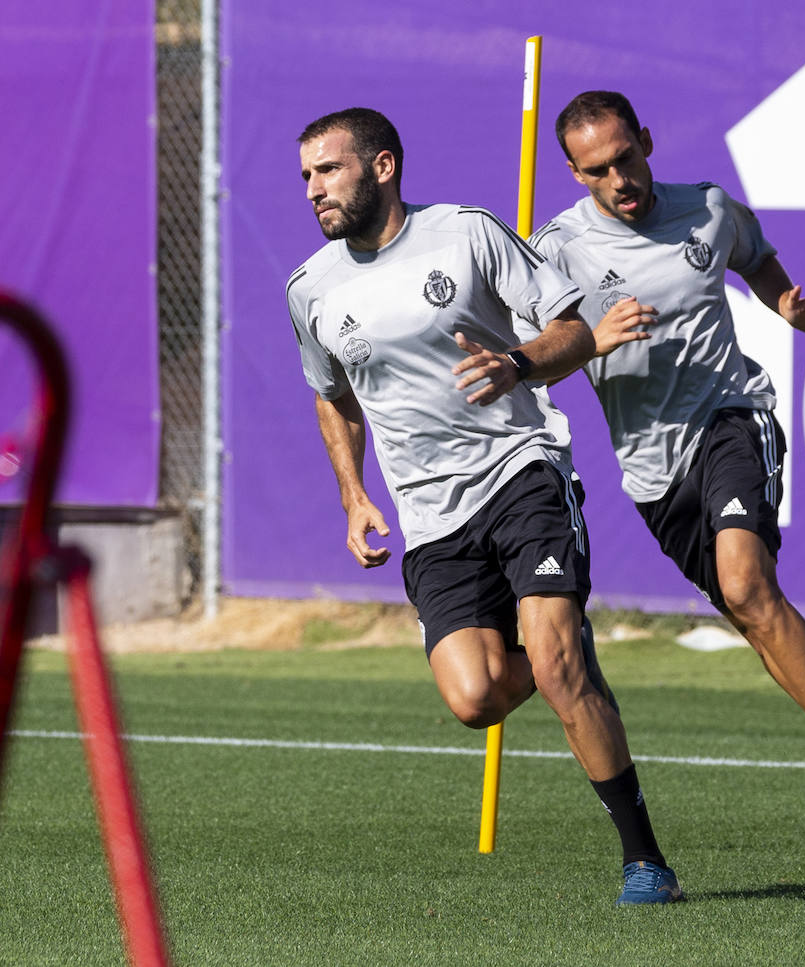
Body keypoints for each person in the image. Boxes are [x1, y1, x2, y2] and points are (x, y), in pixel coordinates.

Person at [287, 107, 682, 903]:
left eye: (329, 170)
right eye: (306, 177)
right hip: (432, 520)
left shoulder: (467, 234)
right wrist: (355, 494)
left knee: (560, 663)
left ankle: (646, 861)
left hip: (519, 470)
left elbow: (574, 333)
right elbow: (333, 395)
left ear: (383, 166)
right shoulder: (310, 289)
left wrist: (516, 362)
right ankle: (560, 652)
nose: (314, 190)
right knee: (475, 698)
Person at [529, 90, 805, 846]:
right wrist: (593, 342)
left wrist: (791, 308)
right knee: (747, 612)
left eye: (626, 158)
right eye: (597, 170)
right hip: (652, 469)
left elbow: (759, 262)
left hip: (731, 417)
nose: (619, 180)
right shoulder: (557, 249)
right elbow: (540, 362)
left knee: (745, 581)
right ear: (576, 174)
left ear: (646, 138)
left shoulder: (707, 208)